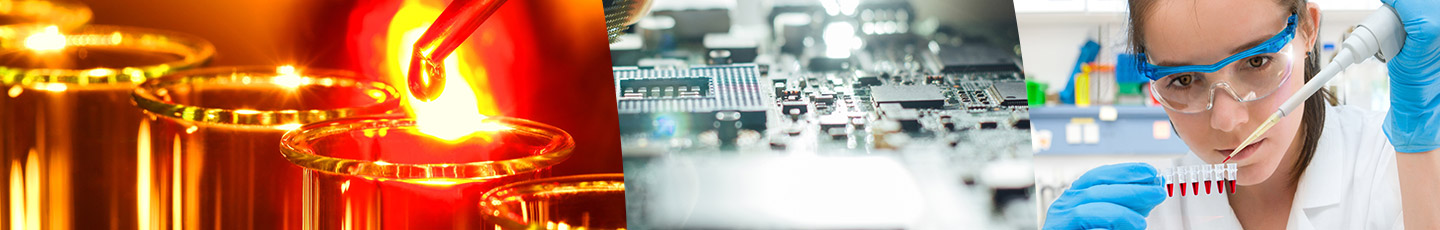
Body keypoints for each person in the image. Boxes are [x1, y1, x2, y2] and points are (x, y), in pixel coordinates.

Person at [1042, 0, 1440, 229]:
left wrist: (1422, 158)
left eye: (1257, 61)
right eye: (1182, 80)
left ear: (1307, 30)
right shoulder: (1145, 214)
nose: (1227, 122)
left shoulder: (1392, 167)